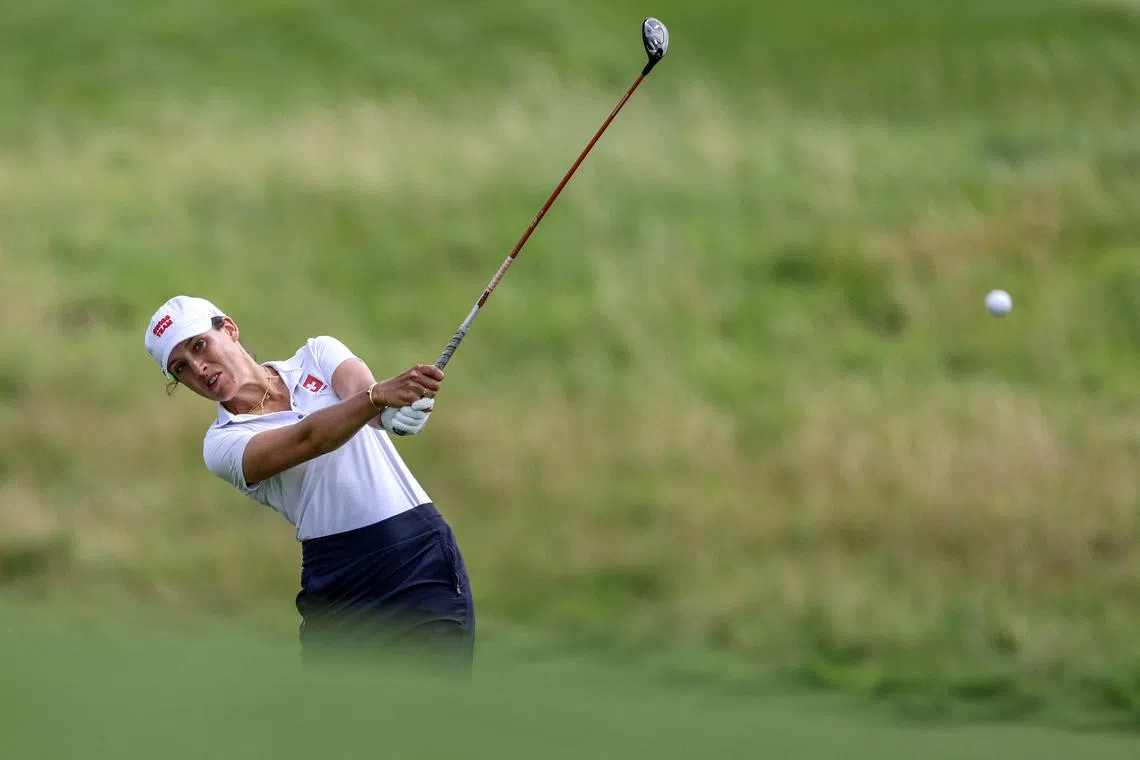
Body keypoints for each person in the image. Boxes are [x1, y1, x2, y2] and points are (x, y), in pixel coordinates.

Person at [144, 294, 475, 672]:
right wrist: (378, 399)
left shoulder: (318, 354)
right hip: (336, 582)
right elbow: (310, 439)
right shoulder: (221, 444)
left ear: (230, 329)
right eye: (181, 369)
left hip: (415, 558)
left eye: (199, 346)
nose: (198, 369)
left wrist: (397, 411)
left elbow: (367, 402)